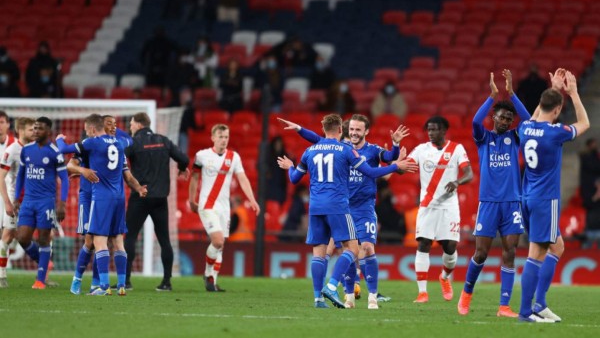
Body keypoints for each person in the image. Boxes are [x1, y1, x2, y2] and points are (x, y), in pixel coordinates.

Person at [276, 113, 417, 309]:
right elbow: (371, 171)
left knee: (347, 249)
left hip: (340, 206)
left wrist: (394, 147)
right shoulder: (345, 149)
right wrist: (395, 167)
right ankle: (340, 290)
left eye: (358, 130)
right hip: (341, 206)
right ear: (343, 130)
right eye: (351, 129)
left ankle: (338, 297)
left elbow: (298, 171)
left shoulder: (313, 150)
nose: (354, 133)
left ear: (366, 131)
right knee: (349, 249)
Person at [457, 70, 531, 317]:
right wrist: (491, 96)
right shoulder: (483, 138)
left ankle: (504, 306)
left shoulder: (515, 137)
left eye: (509, 118)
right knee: (481, 253)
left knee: (511, 251)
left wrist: (512, 94)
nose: (506, 121)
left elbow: (528, 122)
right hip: (488, 203)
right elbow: (475, 122)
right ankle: (466, 294)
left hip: (512, 203)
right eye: (502, 117)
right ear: (494, 117)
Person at [518, 69, 589, 323]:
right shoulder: (555, 133)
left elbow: (540, 113)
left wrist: (554, 89)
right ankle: (526, 312)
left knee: (557, 246)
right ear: (558, 110)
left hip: (527, 197)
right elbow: (584, 124)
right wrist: (574, 93)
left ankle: (540, 303)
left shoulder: (525, 128)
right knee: (535, 253)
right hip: (544, 200)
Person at [56, 114, 143, 296]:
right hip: (88, 198)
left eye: (115, 125)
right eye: (109, 125)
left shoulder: (107, 144)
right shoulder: (92, 144)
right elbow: (70, 166)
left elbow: (127, 174)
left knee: (99, 241)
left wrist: (137, 187)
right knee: (90, 241)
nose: (113, 128)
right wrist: (83, 170)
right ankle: (77, 280)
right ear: (101, 126)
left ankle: (98, 284)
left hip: (101, 196)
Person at [404, 116, 473, 303]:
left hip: (449, 206)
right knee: (423, 243)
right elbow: (404, 167)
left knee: (450, 247)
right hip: (427, 205)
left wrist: (457, 181)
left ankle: (444, 276)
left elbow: (469, 173)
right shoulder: (421, 150)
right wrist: (397, 154)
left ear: (443, 130)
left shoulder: (457, 149)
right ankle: (422, 292)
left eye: (434, 130)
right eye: (429, 130)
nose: (431, 133)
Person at [123, 112, 190, 291]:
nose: (130, 127)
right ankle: (167, 282)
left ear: (138, 124)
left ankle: (125, 281)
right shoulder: (163, 140)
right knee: (164, 240)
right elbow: (184, 159)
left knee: (130, 237)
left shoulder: (133, 142)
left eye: (131, 124)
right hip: (160, 198)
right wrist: (182, 169)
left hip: (140, 196)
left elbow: (119, 159)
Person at [189, 123, 260, 292]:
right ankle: (207, 274)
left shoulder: (234, 157)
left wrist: (252, 199)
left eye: (226, 137)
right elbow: (194, 177)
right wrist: (192, 199)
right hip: (207, 205)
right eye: (220, 137)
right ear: (213, 138)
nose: (224, 140)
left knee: (221, 245)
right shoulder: (202, 156)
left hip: (224, 208)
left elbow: (242, 179)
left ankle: (212, 281)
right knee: (218, 240)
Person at [13, 117, 69, 289]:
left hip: (46, 202)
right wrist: (16, 198)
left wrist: (62, 203)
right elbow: (21, 174)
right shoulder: (26, 150)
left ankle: (40, 280)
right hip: (28, 201)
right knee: (22, 238)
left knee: (44, 239)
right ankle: (45, 262)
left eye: (40, 129)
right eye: (35, 128)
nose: (35, 131)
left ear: (48, 131)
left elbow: (64, 179)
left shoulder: (54, 152)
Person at [0, 117, 34, 287]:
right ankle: (1, 274)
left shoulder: (35, 149)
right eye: (31, 129)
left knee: (45, 235)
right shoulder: (12, 150)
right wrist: (7, 202)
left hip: (33, 199)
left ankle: (44, 276)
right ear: (21, 130)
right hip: (15, 200)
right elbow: (1, 177)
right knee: (7, 235)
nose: (35, 132)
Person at [579, 138, 600, 248]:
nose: (595, 145)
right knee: (591, 212)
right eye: (593, 144)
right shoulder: (586, 157)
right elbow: (595, 167)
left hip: (592, 193)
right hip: (589, 192)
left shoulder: (595, 156)